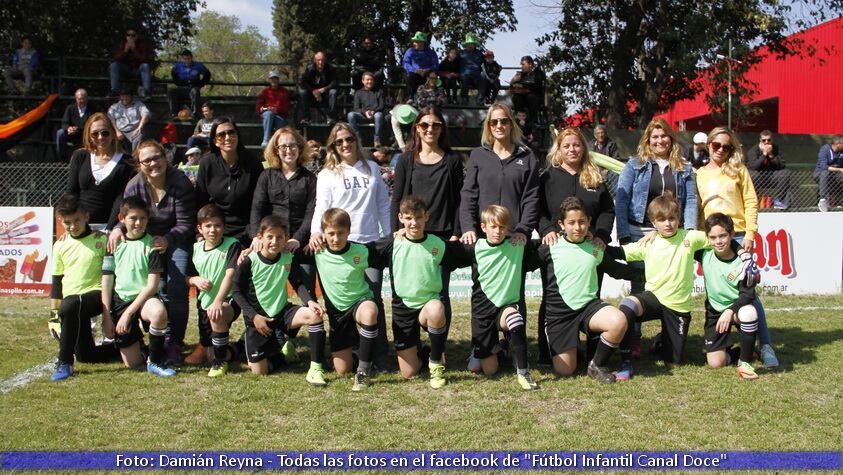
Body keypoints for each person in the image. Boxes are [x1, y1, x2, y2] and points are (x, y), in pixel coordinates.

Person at [309, 123, 392, 371]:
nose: (345, 144)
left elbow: (383, 205)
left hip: (369, 244)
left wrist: (387, 237)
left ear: (356, 140)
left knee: (372, 302)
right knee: (341, 304)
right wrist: (316, 232)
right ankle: (351, 351)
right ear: (332, 146)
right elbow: (321, 208)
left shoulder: (373, 169)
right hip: (339, 247)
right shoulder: (326, 174)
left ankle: (378, 355)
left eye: (348, 139)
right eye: (338, 142)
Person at [696, 126, 779, 368]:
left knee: (748, 290)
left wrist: (750, 234)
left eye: (726, 146)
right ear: (708, 144)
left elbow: (751, 202)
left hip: (739, 233)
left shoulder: (739, 170)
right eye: (716, 145)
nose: (721, 149)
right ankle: (722, 338)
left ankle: (765, 345)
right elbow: (697, 206)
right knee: (718, 288)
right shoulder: (699, 173)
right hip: (711, 237)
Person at [534, 197, 640, 383]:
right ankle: (570, 348)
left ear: (589, 221)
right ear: (561, 224)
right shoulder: (549, 247)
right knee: (565, 370)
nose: (577, 227)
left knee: (618, 320)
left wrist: (647, 273)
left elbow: (617, 270)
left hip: (588, 308)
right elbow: (521, 262)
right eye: (572, 223)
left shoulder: (595, 248)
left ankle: (597, 365)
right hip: (560, 314)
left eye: (582, 222)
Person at [110, 140, 196, 365]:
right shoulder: (134, 185)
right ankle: (150, 335)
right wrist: (118, 229)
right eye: (146, 160)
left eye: (156, 157)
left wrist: (167, 239)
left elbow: (187, 223)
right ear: (139, 164)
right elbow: (128, 213)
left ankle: (174, 342)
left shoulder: (180, 182)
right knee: (141, 284)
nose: (153, 163)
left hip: (176, 238)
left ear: (164, 157)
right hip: (144, 238)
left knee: (175, 284)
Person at [535, 127, 615, 367]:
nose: (572, 149)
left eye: (576, 145)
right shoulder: (547, 177)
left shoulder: (594, 177)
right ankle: (546, 353)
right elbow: (536, 209)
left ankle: (593, 351)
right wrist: (547, 230)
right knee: (552, 299)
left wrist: (601, 234)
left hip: (588, 249)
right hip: (557, 250)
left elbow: (608, 210)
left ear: (584, 148)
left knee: (592, 297)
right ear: (558, 150)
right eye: (566, 145)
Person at [367, 196, 462, 388]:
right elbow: (361, 252)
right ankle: (426, 352)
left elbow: (468, 254)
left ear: (427, 217)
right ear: (400, 217)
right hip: (403, 309)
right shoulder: (392, 243)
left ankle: (435, 365)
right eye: (409, 218)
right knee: (409, 373)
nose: (414, 223)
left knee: (436, 308)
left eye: (418, 217)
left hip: (428, 305)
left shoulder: (438, 244)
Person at [392, 106, 464, 349]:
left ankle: (438, 350)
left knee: (440, 295)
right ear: (416, 129)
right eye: (424, 125)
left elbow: (458, 200)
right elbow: (397, 198)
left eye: (435, 125)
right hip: (410, 236)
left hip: (442, 237)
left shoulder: (453, 160)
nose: (430, 129)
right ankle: (412, 345)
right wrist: (397, 229)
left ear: (442, 128)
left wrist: (456, 232)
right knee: (410, 292)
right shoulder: (406, 160)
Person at [615, 194, 710, 378]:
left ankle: (661, 342)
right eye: (662, 220)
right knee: (627, 305)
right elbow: (619, 252)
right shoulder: (648, 242)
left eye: (672, 218)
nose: (668, 224)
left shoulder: (690, 238)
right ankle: (625, 360)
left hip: (678, 306)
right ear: (653, 222)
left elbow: (717, 238)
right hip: (654, 299)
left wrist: (740, 250)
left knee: (673, 363)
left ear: (679, 219)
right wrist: (595, 245)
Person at [450, 205, 538, 389]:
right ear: (483, 227)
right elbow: (443, 249)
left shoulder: (518, 244)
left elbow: (547, 244)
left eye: (502, 227)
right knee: (490, 371)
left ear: (508, 228)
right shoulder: (474, 247)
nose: (497, 231)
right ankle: (501, 348)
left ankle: (523, 372)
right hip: (482, 312)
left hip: (506, 308)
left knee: (515, 319)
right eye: (493, 227)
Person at [232, 214, 327, 385]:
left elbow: (297, 283)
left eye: (279, 237)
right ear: (260, 237)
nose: (275, 241)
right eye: (270, 237)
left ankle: (315, 369)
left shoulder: (288, 258)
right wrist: (254, 316)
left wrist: (310, 301)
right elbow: (236, 291)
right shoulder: (249, 260)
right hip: (259, 319)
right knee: (259, 372)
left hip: (283, 313)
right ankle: (282, 357)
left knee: (314, 315)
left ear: (286, 239)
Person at [249, 126, 318, 356]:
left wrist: (297, 239)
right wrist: (257, 238)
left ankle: (288, 337)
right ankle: (271, 336)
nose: (288, 150)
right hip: (272, 246)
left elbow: (311, 213)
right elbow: (257, 210)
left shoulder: (309, 179)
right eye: (283, 146)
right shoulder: (266, 176)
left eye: (293, 145)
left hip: (301, 244)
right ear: (276, 150)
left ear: (300, 148)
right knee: (271, 294)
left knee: (306, 290)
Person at [615, 118, 696, 291]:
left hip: (672, 232)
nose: (660, 140)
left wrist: (689, 233)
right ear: (648, 141)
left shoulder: (684, 166)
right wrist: (624, 235)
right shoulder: (633, 165)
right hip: (639, 232)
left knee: (671, 285)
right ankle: (635, 318)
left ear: (671, 138)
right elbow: (621, 200)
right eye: (655, 137)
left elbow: (690, 200)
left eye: (664, 136)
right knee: (640, 285)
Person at [103, 196, 176, 377]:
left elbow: (152, 286)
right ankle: (144, 349)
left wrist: (128, 314)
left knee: (159, 312)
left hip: (145, 299)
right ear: (122, 219)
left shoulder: (153, 245)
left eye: (142, 218)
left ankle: (155, 361)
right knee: (133, 364)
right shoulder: (114, 244)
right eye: (133, 218)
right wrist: (106, 316)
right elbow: (107, 280)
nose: (138, 223)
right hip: (121, 301)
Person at [309, 208, 382, 391]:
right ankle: (358, 351)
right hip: (337, 313)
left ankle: (364, 372)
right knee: (342, 370)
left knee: (370, 312)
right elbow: (289, 255)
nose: (335, 238)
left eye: (341, 233)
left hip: (360, 302)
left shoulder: (362, 250)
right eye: (331, 234)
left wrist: (401, 233)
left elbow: (388, 249)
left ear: (349, 231)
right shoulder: (317, 251)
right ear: (323, 233)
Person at [49, 194, 119, 381]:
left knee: (71, 304)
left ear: (87, 217)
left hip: (96, 296)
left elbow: (110, 275)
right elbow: (56, 282)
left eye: (77, 220)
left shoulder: (102, 240)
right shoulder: (60, 245)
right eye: (67, 222)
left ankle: (64, 363)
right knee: (86, 356)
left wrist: (106, 314)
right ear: (60, 221)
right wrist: (53, 315)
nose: (73, 226)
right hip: (72, 306)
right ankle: (124, 349)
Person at [460, 103, 540, 246]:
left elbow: (531, 198)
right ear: (488, 126)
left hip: (515, 239)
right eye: (494, 122)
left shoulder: (527, 157)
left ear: (511, 124)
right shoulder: (478, 155)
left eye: (504, 121)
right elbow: (468, 195)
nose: (499, 125)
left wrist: (523, 230)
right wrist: (468, 227)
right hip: (482, 238)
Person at [696, 213, 761, 380]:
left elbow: (748, 295)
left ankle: (744, 364)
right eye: (713, 237)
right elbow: (681, 239)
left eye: (723, 236)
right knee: (716, 363)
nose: (718, 241)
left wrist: (730, 311)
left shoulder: (744, 263)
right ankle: (745, 351)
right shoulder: (704, 253)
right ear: (708, 238)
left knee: (749, 313)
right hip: (715, 311)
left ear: (732, 234)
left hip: (737, 309)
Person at [186, 204, 242, 376]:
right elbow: (186, 277)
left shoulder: (232, 245)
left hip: (227, 301)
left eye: (217, 226)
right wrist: (194, 279)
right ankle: (237, 347)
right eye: (208, 226)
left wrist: (218, 301)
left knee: (216, 316)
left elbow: (230, 275)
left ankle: (221, 361)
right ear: (199, 228)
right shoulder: (195, 249)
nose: (213, 230)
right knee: (210, 354)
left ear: (224, 227)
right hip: (205, 302)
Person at [195, 117, 263, 247]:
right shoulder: (207, 164)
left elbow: (259, 202)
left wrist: (256, 234)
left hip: (247, 230)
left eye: (231, 132)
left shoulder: (253, 163)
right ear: (215, 141)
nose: (227, 137)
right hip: (216, 230)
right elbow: (201, 201)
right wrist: (199, 232)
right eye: (221, 135)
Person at [67, 112, 136, 230]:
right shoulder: (80, 156)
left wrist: (110, 229)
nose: (100, 137)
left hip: (109, 228)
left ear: (113, 134)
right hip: (80, 227)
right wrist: (71, 223)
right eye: (94, 133)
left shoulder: (126, 162)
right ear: (89, 135)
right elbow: (72, 192)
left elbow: (120, 198)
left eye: (105, 133)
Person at [745, 130, 791, 209]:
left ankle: (778, 200)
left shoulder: (776, 149)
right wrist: (764, 154)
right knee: (754, 174)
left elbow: (782, 165)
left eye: (769, 140)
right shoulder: (753, 150)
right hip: (757, 178)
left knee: (785, 173)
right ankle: (754, 201)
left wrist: (770, 155)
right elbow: (754, 167)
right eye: (764, 140)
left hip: (771, 177)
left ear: (772, 140)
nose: (766, 142)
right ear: (760, 140)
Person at [347, 71, 389, 147]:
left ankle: (377, 139)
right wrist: (365, 112)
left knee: (379, 115)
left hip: (375, 115)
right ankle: (357, 138)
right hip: (363, 116)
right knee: (350, 115)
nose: (369, 82)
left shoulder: (379, 92)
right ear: (363, 81)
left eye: (371, 80)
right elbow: (356, 108)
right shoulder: (358, 92)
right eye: (367, 80)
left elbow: (382, 106)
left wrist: (373, 111)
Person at [167, 49, 211, 119]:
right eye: (185, 59)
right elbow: (173, 74)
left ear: (191, 58)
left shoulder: (198, 66)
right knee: (171, 91)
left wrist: (201, 84)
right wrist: (178, 83)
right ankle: (174, 114)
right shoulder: (177, 66)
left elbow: (207, 74)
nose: (187, 60)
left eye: (188, 58)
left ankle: (194, 114)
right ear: (182, 59)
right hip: (182, 87)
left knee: (195, 91)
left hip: (193, 87)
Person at [109, 28, 152, 98]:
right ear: (126, 36)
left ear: (137, 36)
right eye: (128, 35)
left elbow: (144, 60)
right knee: (113, 65)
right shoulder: (122, 44)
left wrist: (134, 50)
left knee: (145, 66)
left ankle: (147, 91)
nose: (130, 37)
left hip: (138, 71)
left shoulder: (142, 44)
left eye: (133, 35)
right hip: (125, 71)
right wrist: (125, 51)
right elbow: (116, 58)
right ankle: (114, 91)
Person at [299, 52, 339, 124]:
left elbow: (335, 82)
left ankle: (331, 118)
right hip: (312, 95)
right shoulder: (309, 69)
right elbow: (303, 83)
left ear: (325, 60)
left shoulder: (331, 69)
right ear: (314, 60)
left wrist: (323, 90)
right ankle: (306, 118)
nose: (320, 62)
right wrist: (314, 91)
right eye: (318, 60)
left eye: (322, 60)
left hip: (326, 95)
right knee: (303, 92)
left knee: (333, 92)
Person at [56, 89, 96, 160]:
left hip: (86, 134)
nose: (82, 101)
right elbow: (65, 122)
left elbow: (93, 124)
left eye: (84, 98)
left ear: (87, 98)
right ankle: (62, 158)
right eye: (80, 99)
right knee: (60, 133)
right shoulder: (70, 108)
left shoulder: (92, 109)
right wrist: (69, 128)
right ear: (76, 99)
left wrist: (77, 129)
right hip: (71, 134)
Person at [107, 87, 150, 152]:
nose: (124, 98)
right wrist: (117, 131)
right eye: (122, 96)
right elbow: (110, 119)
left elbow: (146, 114)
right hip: (119, 130)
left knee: (139, 135)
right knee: (111, 137)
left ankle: (135, 158)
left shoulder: (138, 104)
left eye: (127, 96)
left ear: (131, 97)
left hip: (134, 130)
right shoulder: (114, 107)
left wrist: (139, 127)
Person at [256, 71, 291, 148]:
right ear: (269, 80)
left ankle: (278, 143)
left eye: (275, 78)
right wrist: (261, 109)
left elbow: (287, 107)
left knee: (279, 121)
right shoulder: (265, 92)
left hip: (280, 114)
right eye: (272, 78)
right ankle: (266, 140)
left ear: (278, 80)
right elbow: (258, 106)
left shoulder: (284, 92)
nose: (274, 80)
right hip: (268, 113)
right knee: (269, 114)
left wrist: (276, 109)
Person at [402, 32, 439, 102]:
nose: (414, 43)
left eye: (416, 42)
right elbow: (405, 63)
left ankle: (431, 99)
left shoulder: (431, 53)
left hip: (427, 74)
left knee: (432, 78)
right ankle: (411, 97)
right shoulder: (410, 51)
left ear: (422, 42)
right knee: (410, 78)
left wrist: (427, 70)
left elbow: (435, 64)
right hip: (414, 74)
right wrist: (415, 70)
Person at [509, 56, 545, 124]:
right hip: (523, 97)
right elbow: (511, 86)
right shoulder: (521, 74)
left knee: (531, 97)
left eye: (523, 64)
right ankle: (520, 120)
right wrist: (514, 80)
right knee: (516, 97)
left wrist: (522, 85)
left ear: (530, 64)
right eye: (521, 65)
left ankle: (533, 121)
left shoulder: (538, 73)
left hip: (535, 97)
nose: (522, 66)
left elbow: (537, 86)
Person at [815, 135, 843, 212]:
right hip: (820, 174)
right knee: (826, 172)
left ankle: (840, 200)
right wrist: (840, 169)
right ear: (838, 144)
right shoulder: (825, 149)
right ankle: (823, 200)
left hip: (836, 175)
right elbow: (824, 166)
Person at [459, 33, 486, 105]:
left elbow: (486, 63)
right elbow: (454, 63)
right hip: (465, 75)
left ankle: (480, 100)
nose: (470, 45)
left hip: (476, 75)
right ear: (466, 44)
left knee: (483, 78)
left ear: (475, 44)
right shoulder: (461, 53)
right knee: (464, 78)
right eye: (469, 43)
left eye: (472, 43)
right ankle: (464, 99)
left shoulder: (479, 53)